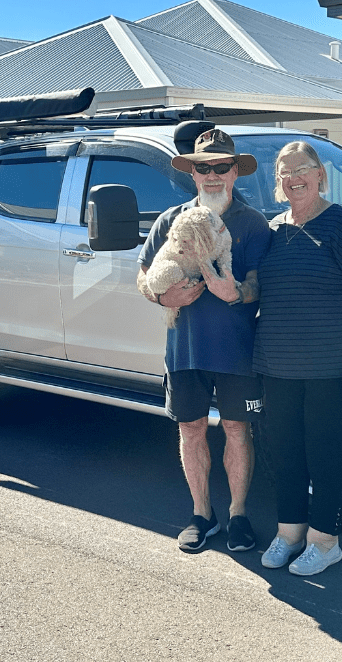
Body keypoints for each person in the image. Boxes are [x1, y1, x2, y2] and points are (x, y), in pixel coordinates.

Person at [254, 140, 342, 575]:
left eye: (302, 170)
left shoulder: (341, 224)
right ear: (278, 182)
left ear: (319, 175)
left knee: (326, 454)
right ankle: (289, 533)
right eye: (285, 172)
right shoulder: (273, 229)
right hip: (278, 366)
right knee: (285, 452)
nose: (294, 179)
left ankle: (325, 541)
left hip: (330, 366)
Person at [137, 128, 270, 554]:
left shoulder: (253, 223)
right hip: (185, 349)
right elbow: (144, 274)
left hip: (237, 351)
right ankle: (201, 514)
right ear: (192, 174)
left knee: (237, 429)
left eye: (221, 166)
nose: (212, 175)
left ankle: (238, 515)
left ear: (235, 172)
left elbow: (263, 283)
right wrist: (162, 296)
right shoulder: (171, 220)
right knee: (191, 429)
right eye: (203, 167)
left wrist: (238, 293)